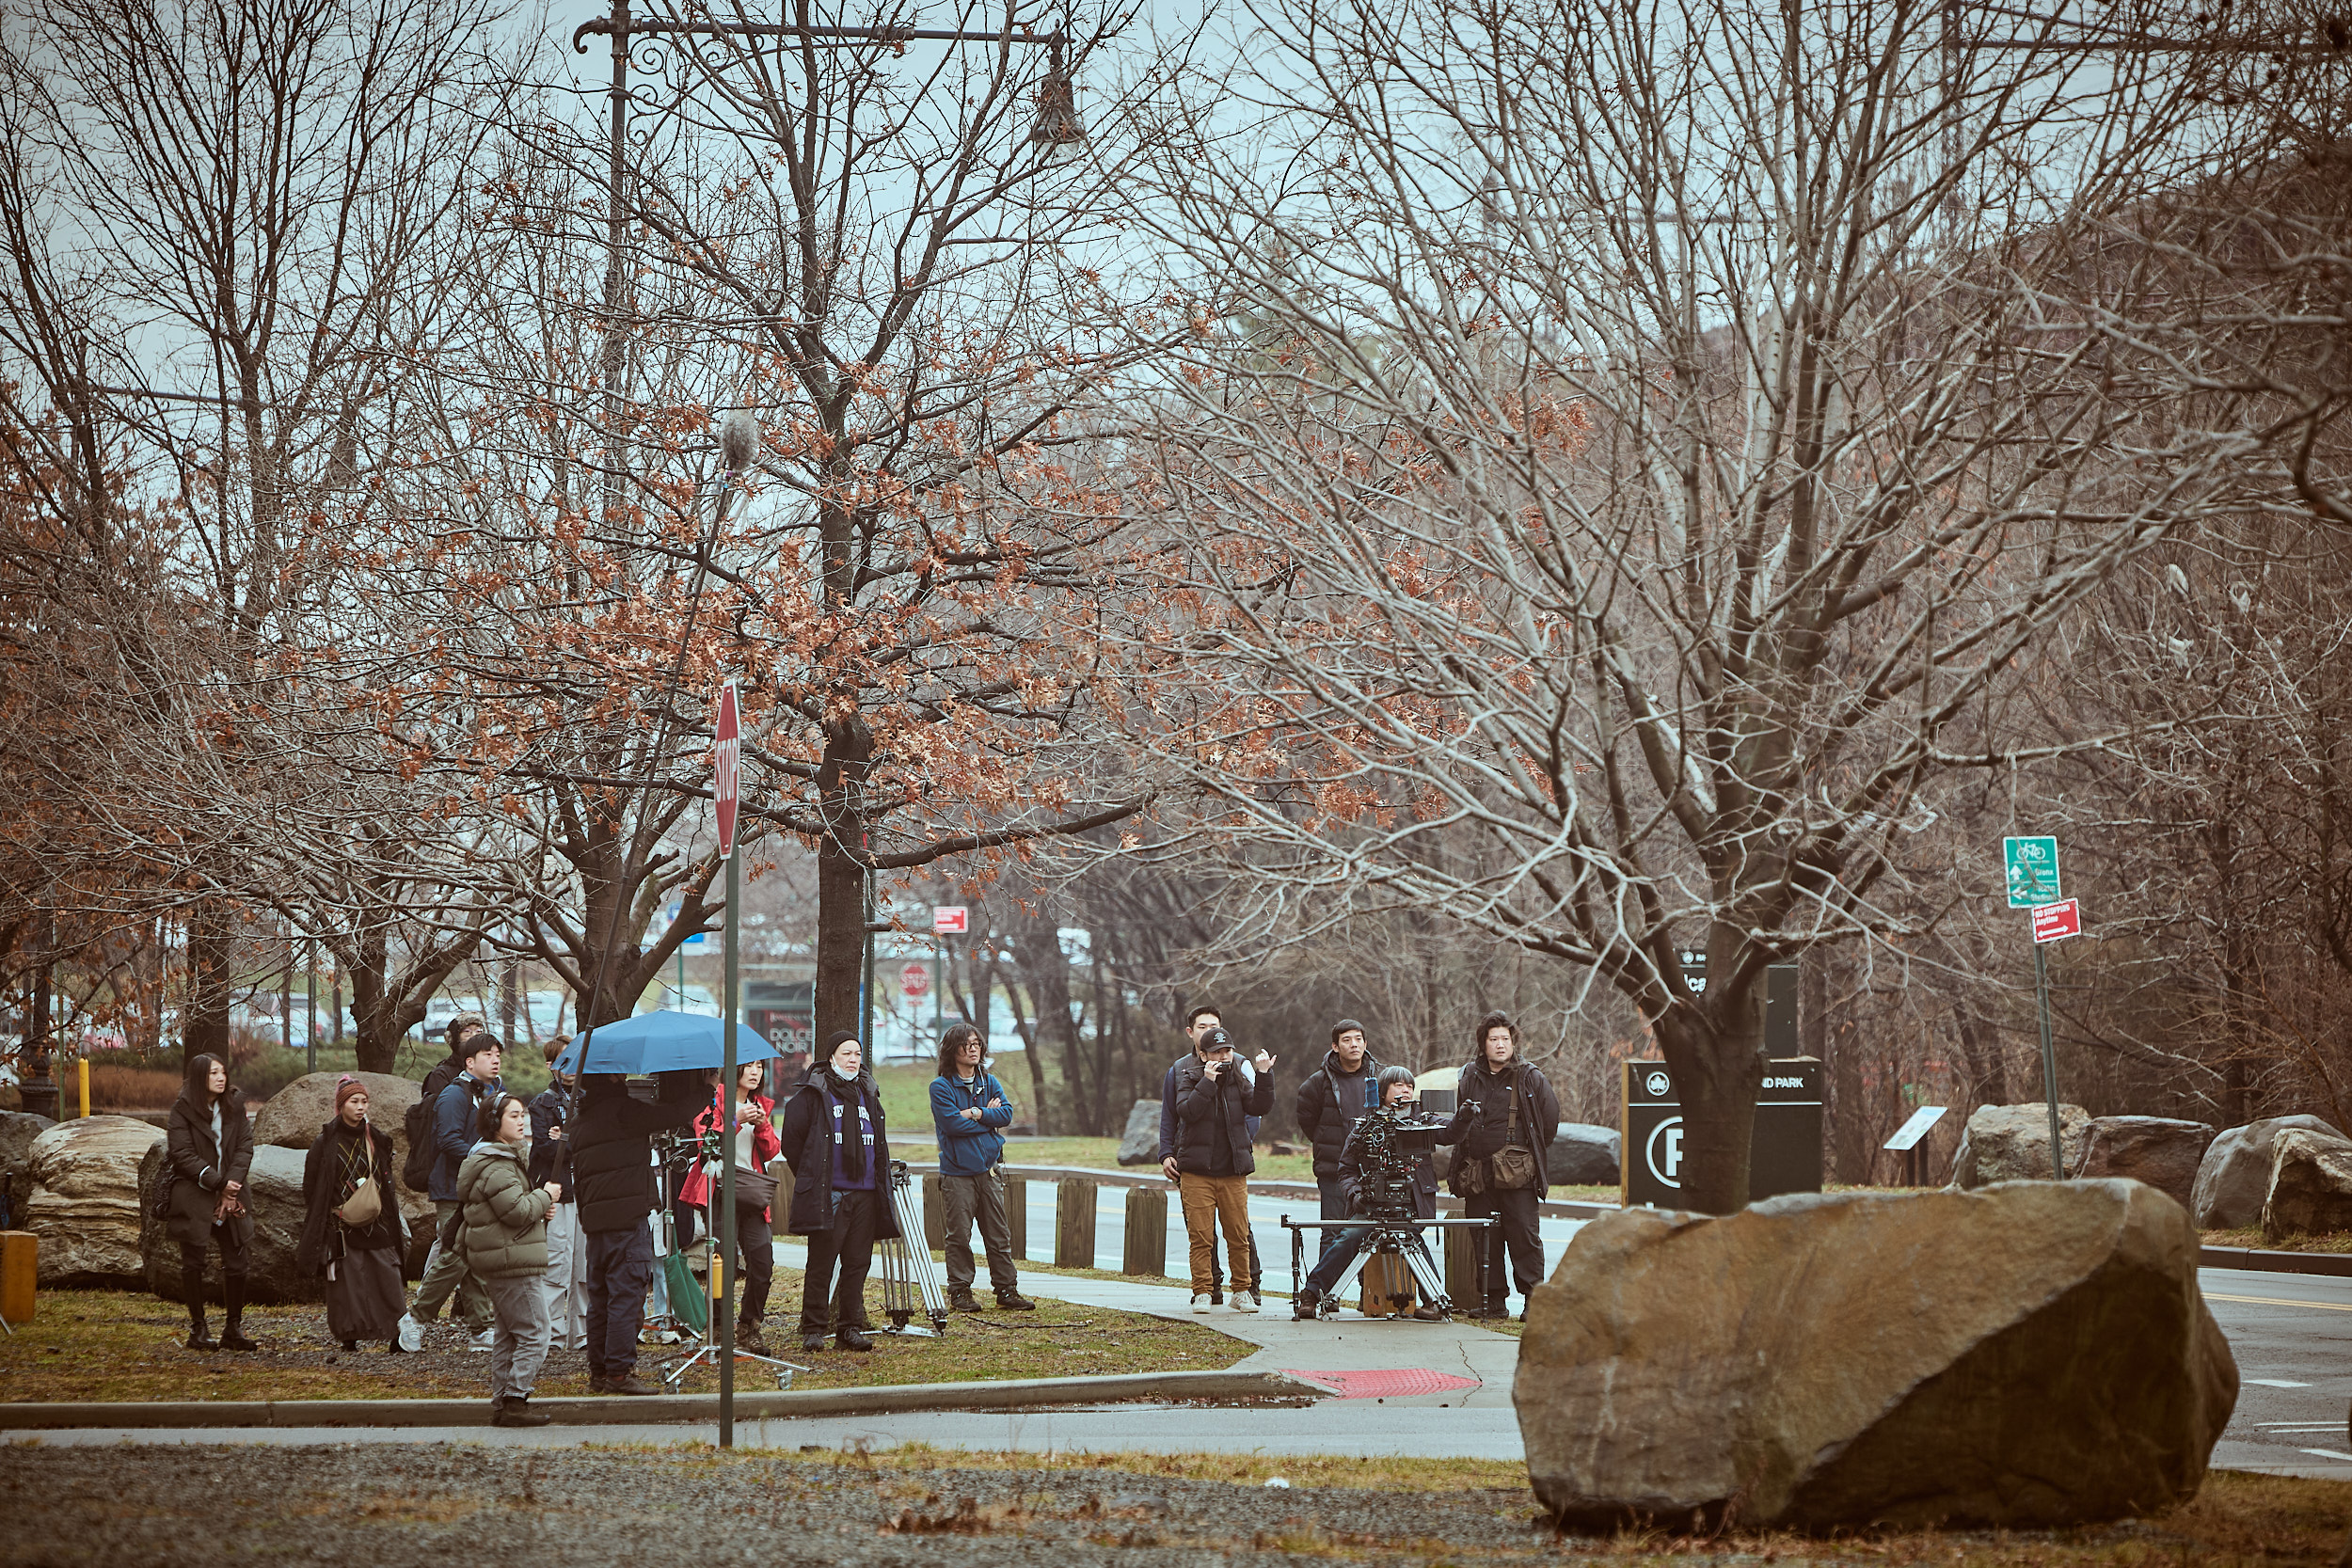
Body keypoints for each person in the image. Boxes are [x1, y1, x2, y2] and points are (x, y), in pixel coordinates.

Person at [571, 1067, 706, 1395]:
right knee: (627, 1298)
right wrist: (705, 1090)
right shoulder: (623, 1111)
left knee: (600, 1299)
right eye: (622, 1076)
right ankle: (619, 1373)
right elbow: (671, 1114)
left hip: (595, 1223)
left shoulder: (580, 1121)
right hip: (628, 1220)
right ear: (612, 1079)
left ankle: (599, 1373)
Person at [778, 1031, 899, 1354]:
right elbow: (792, 1143)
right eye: (846, 1053)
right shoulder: (814, 1095)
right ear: (831, 1057)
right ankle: (814, 1329)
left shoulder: (868, 1093)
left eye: (857, 1054)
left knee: (857, 1264)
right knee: (822, 1263)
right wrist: (814, 1176)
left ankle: (850, 1327)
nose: (853, 1059)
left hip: (866, 1195)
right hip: (829, 1194)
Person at [1296, 1066, 1446, 1321]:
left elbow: (1450, 1131)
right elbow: (1346, 1169)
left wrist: (1465, 1118)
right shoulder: (1366, 1126)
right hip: (1371, 1206)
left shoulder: (1423, 1121)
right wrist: (1356, 1195)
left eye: (1409, 1085)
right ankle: (1312, 1293)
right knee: (1348, 1237)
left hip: (1410, 1206)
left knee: (1413, 1242)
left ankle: (1434, 1300)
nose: (1405, 1089)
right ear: (1383, 1091)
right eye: (1398, 1085)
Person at [456, 1090, 563, 1428]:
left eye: (522, 1115)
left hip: (504, 1256)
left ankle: (503, 1404)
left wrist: (540, 1207)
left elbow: (512, 1210)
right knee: (536, 1332)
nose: (521, 1121)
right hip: (512, 1260)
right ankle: (516, 1398)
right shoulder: (499, 1166)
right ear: (494, 1122)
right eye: (513, 1116)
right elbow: (516, 1212)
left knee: (508, 1335)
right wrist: (544, 1195)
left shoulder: (497, 1160)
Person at [1449, 1011, 1561, 1320]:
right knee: (1483, 1236)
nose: (1500, 1045)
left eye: (1505, 1039)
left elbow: (1549, 1123)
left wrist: (1523, 1155)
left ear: (1513, 1043)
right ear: (1482, 1044)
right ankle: (1492, 1302)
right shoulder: (1469, 1076)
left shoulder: (1529, 1076)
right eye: (1494, 1039)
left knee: (1524, 1234)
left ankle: (1534, 1300)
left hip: (1517, 1174)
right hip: (1479, 1172)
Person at [1158, 1005, 1270, 1305]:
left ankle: (1245, 1289)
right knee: (1201, 1236)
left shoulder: (1239, 1071)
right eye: (1204, 1027)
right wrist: (1166, 1151)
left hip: (1232, 1167)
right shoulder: (1184, 1071)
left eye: (1227, 1050)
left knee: (1239, 1233)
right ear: (1192, 1034)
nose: (1223, 1056)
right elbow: (1180, 1113)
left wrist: (1264, 1076)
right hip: (1196, 1168)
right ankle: (1205, 1291)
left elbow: (1257, 1108)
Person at [399, 1032, 503, 1351]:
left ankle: (480, 1330)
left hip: (479, 1188)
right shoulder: (454, 1095)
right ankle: (414, 1318)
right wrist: (486, 1156)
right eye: (488, 1054)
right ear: (470, 1062)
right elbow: (448, 1140)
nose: (496, 1059)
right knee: (457, 1256)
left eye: (498, 1053)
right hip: (451, 1190)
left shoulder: (493, 1093)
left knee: (474, 1258)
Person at [296, 1076, 410, 1352]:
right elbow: (311, 1186)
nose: (360, 1107)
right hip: (342, 1223)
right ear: (340, 1105)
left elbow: (386, 1181)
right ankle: (350, 1335)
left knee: (387, 1275)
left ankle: (397, 1334)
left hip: (377, 1220)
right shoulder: (325, 1142)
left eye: (364, 1101)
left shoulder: (377, 1138)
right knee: (348, 1281)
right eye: (353, 1101)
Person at [678, 1057, 785, 1354]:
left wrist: (762, 1125)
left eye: (760, 1067)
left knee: (762, 1262)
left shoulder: (760, 1103)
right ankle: (719, 1327)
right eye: (749, 1065)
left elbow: (772, 1150)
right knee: (722, 1265)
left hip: (751, 1193)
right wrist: (737, 1120)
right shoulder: (714, 1101)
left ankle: (750, 1327)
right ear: (734, 1069)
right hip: (720, 1194)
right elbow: (707, 1143)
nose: (755, 1072)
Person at [926, 1022, 1034, 1313]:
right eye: (966, 1044)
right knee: (959, 1235)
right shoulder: (941, 1087)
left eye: (976, 1043)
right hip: (957, 1173)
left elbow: (1007, 1114)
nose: (973, 1048)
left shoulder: (990, 1082)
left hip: (989, 1171)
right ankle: (960, 1291)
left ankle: (1006, 1290)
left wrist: (975, 1113)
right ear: (953, 1050)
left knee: (998, 1233)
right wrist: (988, 1121)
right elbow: (951, 1124)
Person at [165, 1053, 257, 1352]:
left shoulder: (234, 1106)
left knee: (238, 1261)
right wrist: (217, 1182)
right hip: (195, 1193)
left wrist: (231, 1186)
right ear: (199, 1078)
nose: (221, 1078)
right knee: (193, 1262)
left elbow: (245, 1146)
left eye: (223, 1072)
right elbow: (181, 1153)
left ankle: (233, 1328)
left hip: (233, 1194)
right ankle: (198, 1328)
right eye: (213, 1073)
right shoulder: (182, 1110)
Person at [1294, 1017, 1384, 1244]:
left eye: (1358, 1039)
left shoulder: (1380, 1078)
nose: (1354, 1044)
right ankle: (1328, 1282)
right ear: (1335, 1046)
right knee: (1333, 1233)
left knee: (1373, 1235)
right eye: (1346, 1040)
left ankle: (1368, 1282)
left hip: (1374, 1169)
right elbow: (1309, 1122)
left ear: (1365, 1043)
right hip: (1334, 1169)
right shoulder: (1317, 1083)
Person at [529, 1037, 587, 1353]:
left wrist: (566, 1137)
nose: (570, 1067)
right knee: (556, 1265)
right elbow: (545, 1148)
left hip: (586, 1192)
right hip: (559, 1193)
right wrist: (569, 1141)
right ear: (551, 1066)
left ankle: (581, 1334)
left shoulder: (590, 1100)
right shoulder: (543, 1103)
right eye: (562, 1060)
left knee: (584, 1267)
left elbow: (592, 1144)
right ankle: (551, 1335)